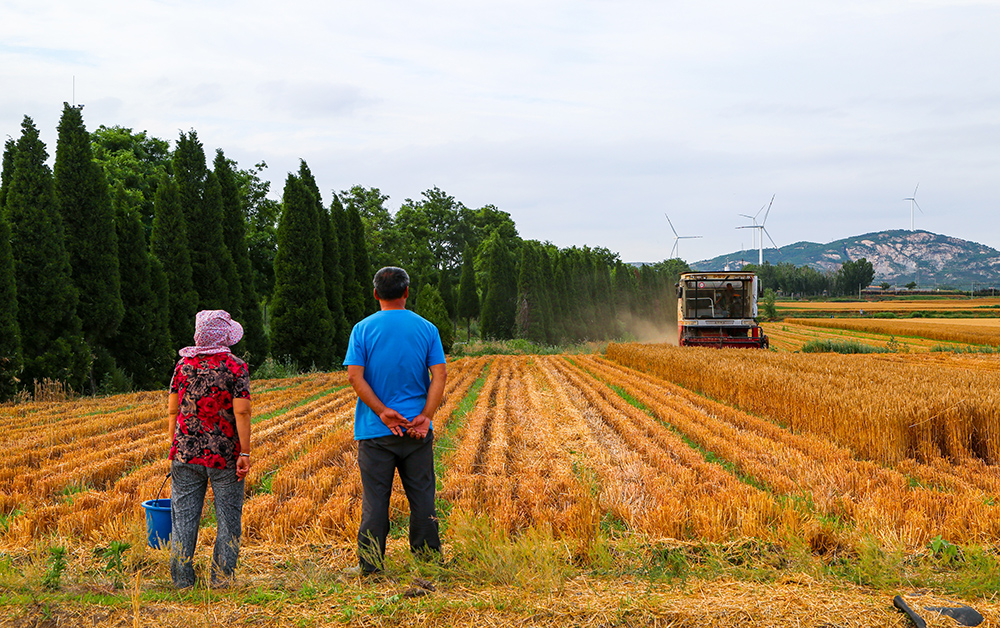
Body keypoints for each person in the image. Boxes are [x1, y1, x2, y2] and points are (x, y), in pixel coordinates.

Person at [344, 267, 447, 574]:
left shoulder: (362, 329)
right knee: (423, 498)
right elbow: (440, 374)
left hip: (375, 431)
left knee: (375, 501)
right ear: (406, 292)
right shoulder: (427, 328)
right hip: (417, 432)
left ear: (376, 294)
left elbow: (354, 376)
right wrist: (426, 417)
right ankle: (428, 562)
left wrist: (381, 411)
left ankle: (371, 567)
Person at [167, 309, 251, 589]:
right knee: (228, 518)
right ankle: (221, 580)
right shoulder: (235, 367)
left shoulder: (183, 366)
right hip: (225, 455)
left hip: (185, 453)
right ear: (224, 336)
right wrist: (245, 453)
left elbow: (173, 411)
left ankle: (182, 580)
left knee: (183, 518)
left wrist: (175, 445)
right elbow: (242, 412)